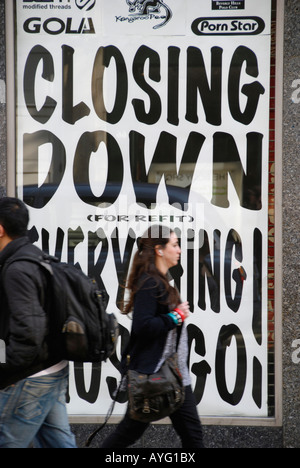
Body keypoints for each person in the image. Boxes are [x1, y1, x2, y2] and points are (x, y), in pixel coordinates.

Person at [101, 225, 204, 448]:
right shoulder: (150, 282)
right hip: (158, 376)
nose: (179, 250)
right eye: (175, 245)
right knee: (127, 435)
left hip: (172, 375)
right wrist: (175, 317)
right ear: (159, 250)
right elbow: (143, 326)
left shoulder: (159, 281)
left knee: (192, 438)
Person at [0, 197, 76, 448]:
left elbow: (28, 333)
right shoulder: (34, 256)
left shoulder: (17, 268)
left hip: (31, 377)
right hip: (52, 369)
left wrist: (5, 369)